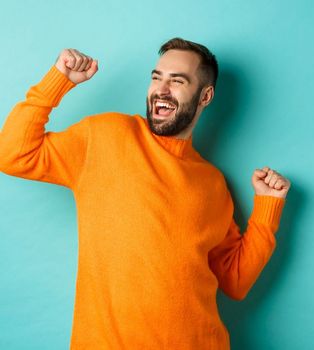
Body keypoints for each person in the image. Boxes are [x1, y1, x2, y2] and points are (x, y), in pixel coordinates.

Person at [0, 38, 291, 349]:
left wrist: (268, 207)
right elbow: (13, 155)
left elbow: (235, 280)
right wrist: (57, 81)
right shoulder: (105, 136)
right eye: (157, 77)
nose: (161, 90)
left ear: (205, 95)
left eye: (177, 81)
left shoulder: (213, 183)